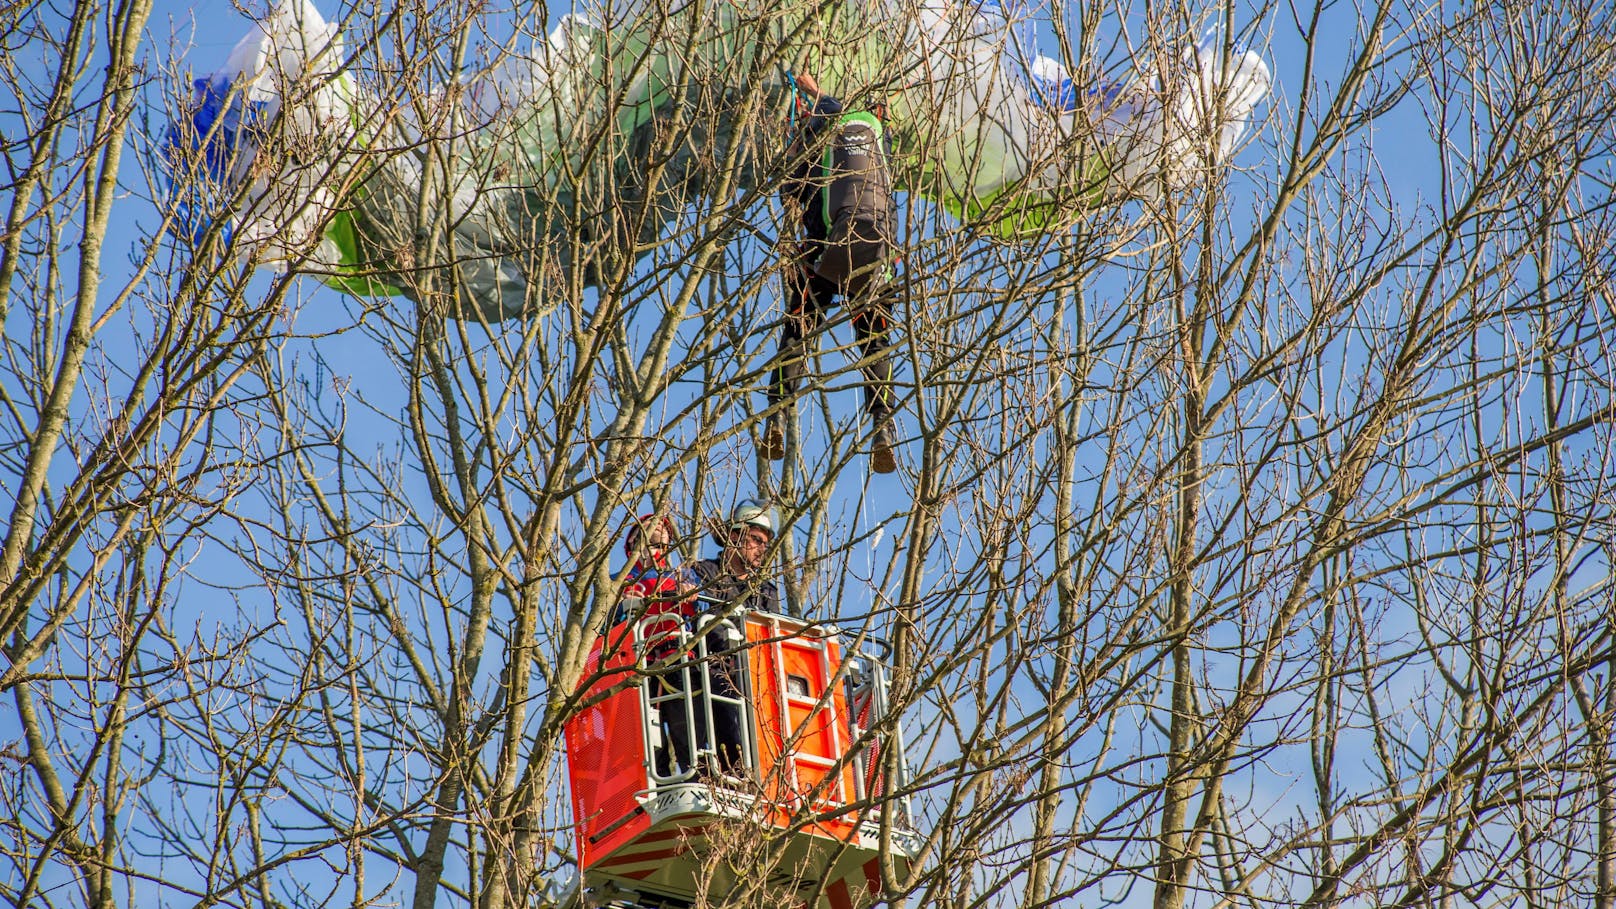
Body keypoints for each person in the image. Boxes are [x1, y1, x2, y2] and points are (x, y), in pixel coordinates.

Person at [764, 72, 900, 474]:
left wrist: (811, 98)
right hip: (874, 256)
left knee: (798, 331)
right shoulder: (879, 140)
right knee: (874, 339)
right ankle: (883, 424)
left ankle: (777, 413)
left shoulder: (819, 130)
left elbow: (788, 189)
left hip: (823, 253)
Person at [664, 499, 786, 778]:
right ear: (734, 535)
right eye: (755, 539)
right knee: (718, 695)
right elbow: (677, 596)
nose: (761, 549)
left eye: (765, 544)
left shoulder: (765, 591)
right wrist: (684, 589)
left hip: (756, 672)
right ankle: (725, 772)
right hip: (711, 666)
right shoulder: (703, 572)